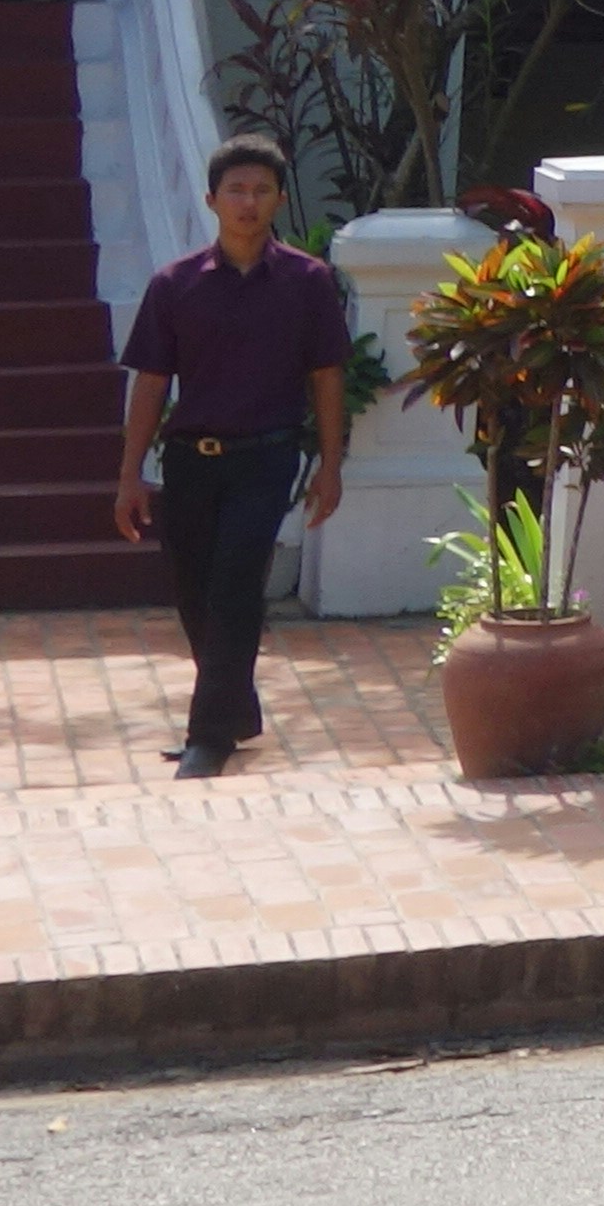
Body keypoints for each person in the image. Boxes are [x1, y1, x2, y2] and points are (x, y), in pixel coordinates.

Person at [107, 132, 351, 778]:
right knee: (193, 593)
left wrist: (331, 464)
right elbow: (151, 381)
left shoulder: (308, 281)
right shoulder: (175, 284)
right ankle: (236, 713)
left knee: (236, 589)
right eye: (237, 190)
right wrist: (130, 474)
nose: (248, 202)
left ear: (277, 200)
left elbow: (328, 376)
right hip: (189, 460)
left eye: (261, 191)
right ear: (213, 199)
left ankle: (209, 737)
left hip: (266, 458)